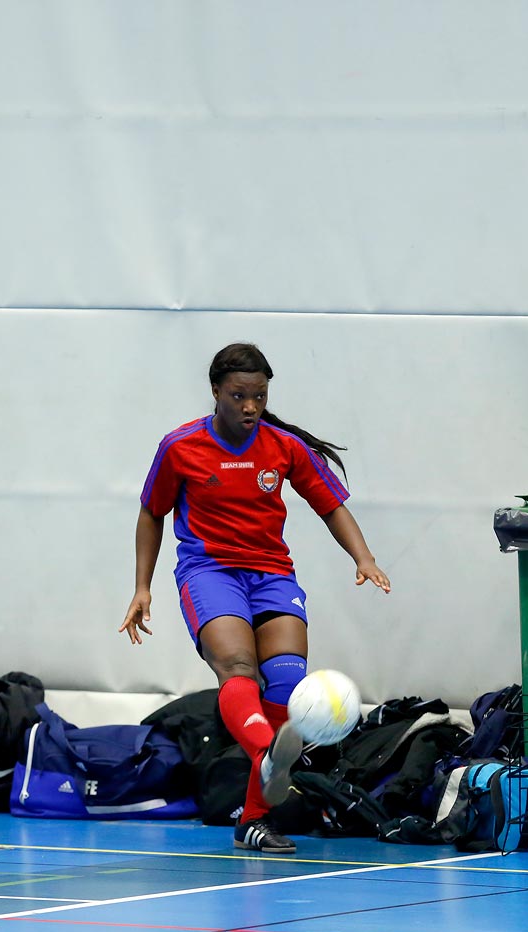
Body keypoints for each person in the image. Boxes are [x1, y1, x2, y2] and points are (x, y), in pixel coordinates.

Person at [119, 342, 391, 854]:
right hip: (210, 573)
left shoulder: (283, 446)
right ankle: (270, 755)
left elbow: (330, 505)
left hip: (271, 575)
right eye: (239, 395)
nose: (249, 406)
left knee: (286, 686)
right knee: (238, 667)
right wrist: (142, 587)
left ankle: (253, 820)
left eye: (259, 396)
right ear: (216, 393)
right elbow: (151, 512)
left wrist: (365, 558)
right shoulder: (181, 446)